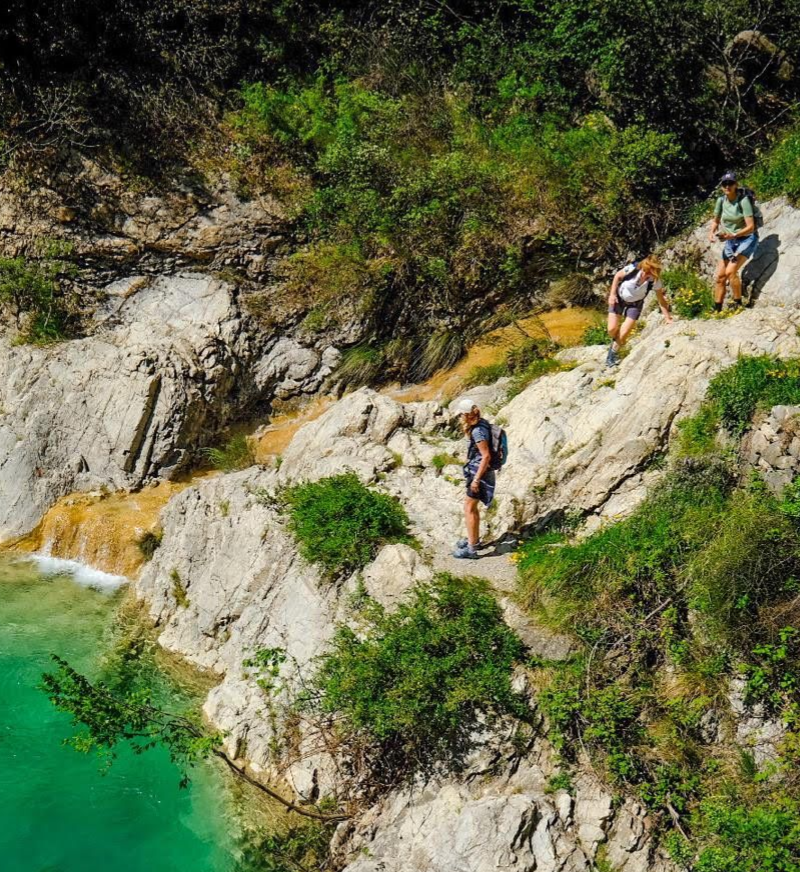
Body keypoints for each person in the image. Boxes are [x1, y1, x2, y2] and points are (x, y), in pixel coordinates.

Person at [606, 254, 672, 367]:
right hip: (619, 299)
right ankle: (615, 339)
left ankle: (612, 354)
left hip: (635, 304)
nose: (645, 274)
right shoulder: (633, 268)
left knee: (624, 333)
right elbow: (617, 276)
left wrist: (667, 317)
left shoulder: (655, 281)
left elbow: (661, 300)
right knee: (612, 329)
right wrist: (612, 295)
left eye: (649, 273)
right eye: (645, 270)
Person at [707, 171, 758, 312]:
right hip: (731, 241)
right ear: (722, 186)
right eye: (725, 184)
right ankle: (717, 308)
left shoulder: (743, 201)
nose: (727, 186)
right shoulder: (721, 201)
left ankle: (738, 304)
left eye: (730, 183)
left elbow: (750, 227)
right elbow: (716, 220)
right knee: (720, 277)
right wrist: (711, 232)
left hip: (747, 239)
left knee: (731, 271)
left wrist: (733, 234)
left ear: (736, 185)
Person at [451, 398, 495, 559]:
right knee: (472, 506)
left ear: (466, 414)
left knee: (469, 507)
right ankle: (473, 541)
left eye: (461, 415)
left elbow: (486, 456)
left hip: (479, 473)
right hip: (478, 471)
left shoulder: (478, 431)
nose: (460, 417)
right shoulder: (482, 423)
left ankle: (471, 549)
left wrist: (476, 480)